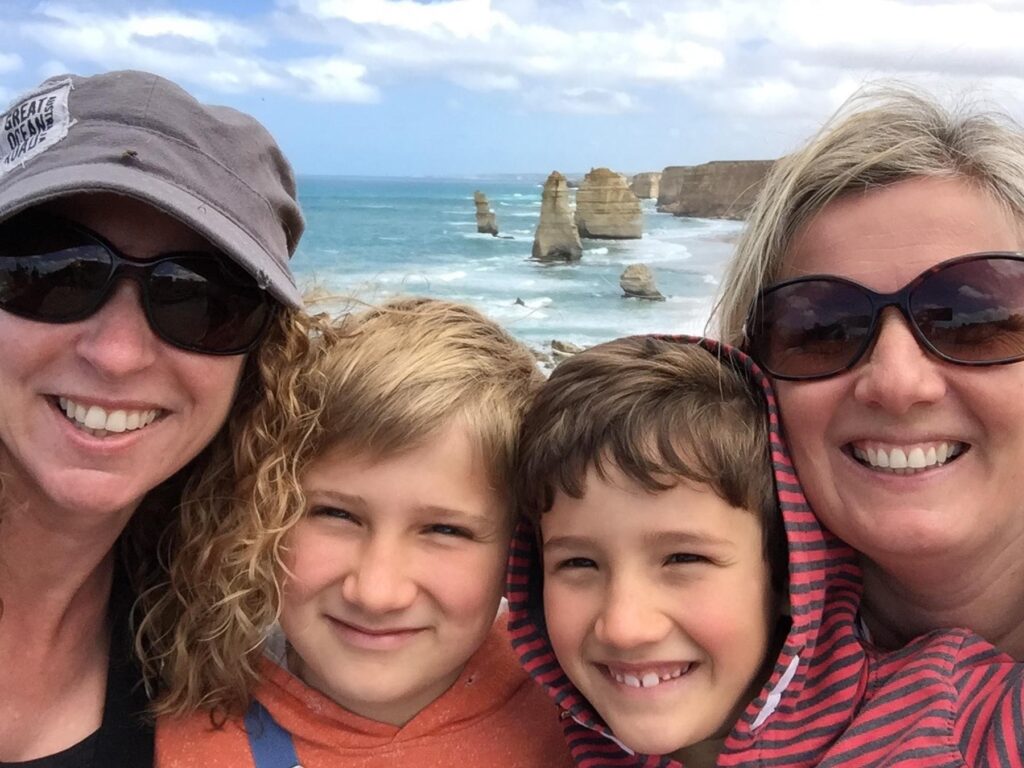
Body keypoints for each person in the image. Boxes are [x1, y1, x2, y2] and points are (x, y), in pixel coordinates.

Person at [509, 334, 1024, 768]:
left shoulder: (947, 712)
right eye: (577, 563)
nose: (623, 626)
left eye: (684, 559)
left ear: (789, 573)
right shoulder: (529, 735)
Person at [0, 70, 310, 767]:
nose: (116, 354)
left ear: (257, 366)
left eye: (197, 300)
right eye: (50, 270)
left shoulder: (221, 653)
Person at [151, 297, 574, 767]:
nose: (376, 594)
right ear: (262, 509)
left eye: (444, 529)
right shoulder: (199, 742)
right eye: (336, 515)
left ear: (522, 548)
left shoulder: (588, 711)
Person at [713, 85, 1024, 660]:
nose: (898, 384)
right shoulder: (659, 683)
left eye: (975, 317)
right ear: (753, 377)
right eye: (821, 328)